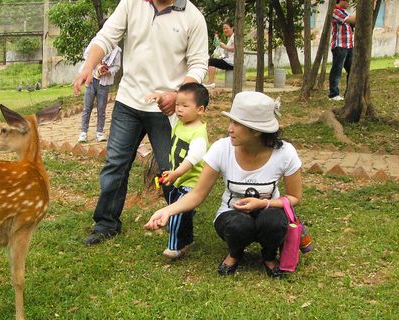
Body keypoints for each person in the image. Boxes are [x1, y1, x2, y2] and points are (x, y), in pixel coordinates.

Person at [73, 0, 209, 245]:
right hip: (128, 102)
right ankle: (106, 224)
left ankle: (181, 231)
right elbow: (105, 37)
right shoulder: (131, 3)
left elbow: (198, 64)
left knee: (173, 169)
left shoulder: (193, 17)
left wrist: (177, 95)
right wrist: (88, 66)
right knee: (115, 164)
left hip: (168, 108)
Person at [145, 91, 303, 277]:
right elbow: (197, 194)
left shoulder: (285, 153)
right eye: (231, 122)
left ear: (255, 130)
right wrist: (167, 211)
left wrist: (263, 203)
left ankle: (269, 256)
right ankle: (235, 254)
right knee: (239, 225)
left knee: (274, 221)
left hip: (268, 210)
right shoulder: (222, 148)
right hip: (232, 213)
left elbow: (294, 197)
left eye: (236, 124)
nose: (230, 129)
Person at [145, 83, 209, 259]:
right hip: (177, 178)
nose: (179, 109)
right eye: (178, 104)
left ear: (200, 109)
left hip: (191, 182)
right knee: (182, 212)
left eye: (185, 106)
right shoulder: (179, 123)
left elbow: (191, 160)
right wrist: (159, 97)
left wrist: (176, 174)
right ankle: (187, 240)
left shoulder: (198, 134)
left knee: (176, 211)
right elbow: (170, 113)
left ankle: (174, 247)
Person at [78, 42, 122, 143]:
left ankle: (99, 132)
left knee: (101, 109)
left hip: (104, 82)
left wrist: (108, 71)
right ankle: (83, 133)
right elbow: (86, 54)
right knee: (87, 107)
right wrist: (97, 65)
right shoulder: (97, 42)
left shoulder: (116, 50)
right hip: (91, 78)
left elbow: (117, 66)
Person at [328, 0, 356, 101]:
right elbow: (351, 20)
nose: (349, 3)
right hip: (340, 46)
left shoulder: (344, 12)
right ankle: (333, 94)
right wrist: (362, 12)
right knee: (337, 70)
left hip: (349, 46)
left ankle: (349, 93)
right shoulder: (336, 11)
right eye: (347, 1)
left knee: (352, 70)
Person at [204, 21, 235, 89]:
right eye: (224, 29)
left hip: (233, 63)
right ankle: (210, 81)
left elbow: (232, 49)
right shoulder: (229, 38)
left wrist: (222, 45)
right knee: (211, 60)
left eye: (226, 28)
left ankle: (211, 82)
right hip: (229, 61)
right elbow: (227, 52)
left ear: (232, 28)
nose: (225, 30)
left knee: (211, 61)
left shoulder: (235, 36)